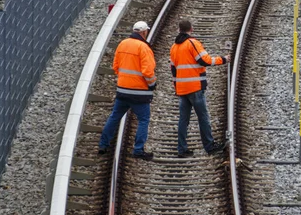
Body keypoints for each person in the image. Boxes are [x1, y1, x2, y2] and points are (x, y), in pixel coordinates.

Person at [170, 19, 230, 157]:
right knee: (203, 117)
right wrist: (224, 59)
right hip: (195, 87)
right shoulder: (192, 43)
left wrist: (176, 86)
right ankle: (209, 146)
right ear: (191, 29)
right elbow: (205, 60)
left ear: (179, 30)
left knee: (183, 119)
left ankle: (182, 149)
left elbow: (173, 69)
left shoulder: (174, 47)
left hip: (182, 88)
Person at [98, 21, 156, 160]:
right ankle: (138, 150)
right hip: (139, 93)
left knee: (114, 116)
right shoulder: (143, 47)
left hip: (122, 90)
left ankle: (103, 145)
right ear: (143, 32)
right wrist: (152, 84)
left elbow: (116, 66)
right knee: (143, 120)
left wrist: (125, 80)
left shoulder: (123, 44)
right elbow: (148, 72)